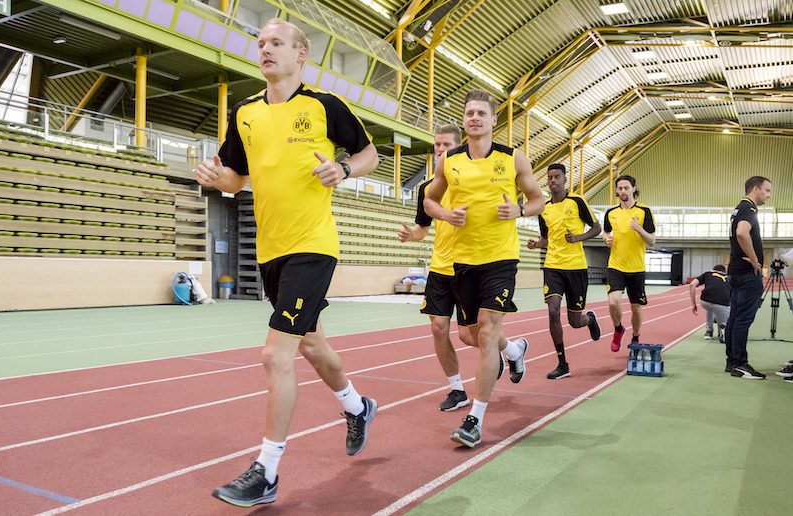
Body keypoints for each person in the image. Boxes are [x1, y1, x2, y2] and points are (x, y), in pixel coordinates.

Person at [196, 18, 379, 507]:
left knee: (276, 355)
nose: (265, 49)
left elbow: (370, 154)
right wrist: (218, 180)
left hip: (313, 244)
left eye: (276, 42)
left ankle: (267, 472)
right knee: (312, 345)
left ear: (302, 55)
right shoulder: (245, 113)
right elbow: (237, 179)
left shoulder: (324, 107)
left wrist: (341, 167)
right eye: (260, 43)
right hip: (270, 251)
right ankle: (358, 407)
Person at [424, 89, 544, 448]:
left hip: (500, 259)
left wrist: (520, 211)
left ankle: (475, 417)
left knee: (488, 333)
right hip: (462, 261)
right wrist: (445, 213)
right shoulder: (450, 161)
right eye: (469, 113)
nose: (474, 117)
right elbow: (429, 200)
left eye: (481, 113)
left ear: (494, 120)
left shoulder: (513, 159)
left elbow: (537, 199)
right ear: (464, 121)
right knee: (469, 336)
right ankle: (515, 350)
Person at [398, 124, 529, 412]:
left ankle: (512, 350)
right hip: (440, 267)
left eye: (446, 146)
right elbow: (423, 228)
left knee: (471, 335)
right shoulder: (427, 190)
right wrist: (412, 235)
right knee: (437, 327)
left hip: (471, 264)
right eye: (437, 146)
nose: (440, 151)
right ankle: (457, 389)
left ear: (458, 148)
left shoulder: (473, 177)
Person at [527, 163, 602, 380]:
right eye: (549, 177)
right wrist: (536, 245)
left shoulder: (577, 201)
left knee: (574, 321)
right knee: (552, 311)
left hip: (576, 267)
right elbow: (545, 238)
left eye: (556, 177)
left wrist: (578, 238)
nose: (552, 181)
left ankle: (589, 319)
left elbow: (596, 228)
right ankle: (562, 363)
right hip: (553, 266)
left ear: (564, 178)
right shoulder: (544, 209)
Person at [725, 176, 772, 379]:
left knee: (734, 319)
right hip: (746, 274)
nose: (769, 195)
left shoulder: (739, 208)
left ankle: (732, 362)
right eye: (767, 191)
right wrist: (754, 260)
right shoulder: (748, 209)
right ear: (755, 189)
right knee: (742, 319)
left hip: (736, 272)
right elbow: (742, 233)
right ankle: (741, 364)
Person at [602, 175, 656, 352]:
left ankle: (636, 336)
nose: (623, 191)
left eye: (626, 188)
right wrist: (606, 239)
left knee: (636, 308)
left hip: (636, 268)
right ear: (617, 191)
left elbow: (652, 241)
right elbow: (606, 232)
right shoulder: (611, 213)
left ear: (634, 188)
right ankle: (618, 329)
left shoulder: (644, 212)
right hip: (615, 265)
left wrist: (639, 228)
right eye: (620, 188)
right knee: (613, 301)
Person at [689, 264, 730, 343]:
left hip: (705, 301)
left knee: (710, 308)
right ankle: (723, 331)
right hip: (722, 302)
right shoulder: (729, 278)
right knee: (724, 319)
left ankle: (709, 331)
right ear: (724, 271)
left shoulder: (707, 274)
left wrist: (693, 304)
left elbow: (692, 284)